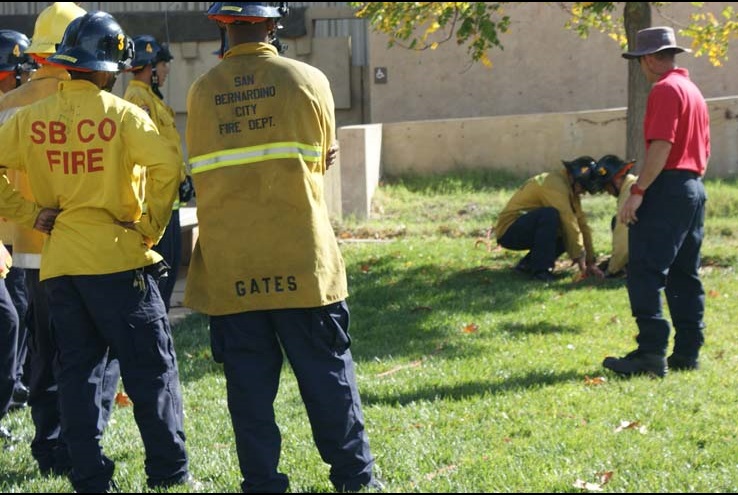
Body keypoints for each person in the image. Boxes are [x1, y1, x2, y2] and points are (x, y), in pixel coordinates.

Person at [185, 2, 380, 492]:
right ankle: (355, 480)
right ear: (275, 23)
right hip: (303, 264)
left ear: (223, 25)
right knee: (328, 382)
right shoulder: (308, 80)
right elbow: (319, 159)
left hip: (233, 269)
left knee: (248, 394)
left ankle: (262, 483)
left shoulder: (202, 91)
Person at [0, 11, 193, 492]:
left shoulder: (29, 119)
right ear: (108, 68)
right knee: (150, 370)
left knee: (77, 373)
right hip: (119, 259)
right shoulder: (123, 114)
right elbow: (167, 166)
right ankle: (168, 474)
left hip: (60, 263)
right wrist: (150, 226)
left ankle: (87, 475)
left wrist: (26, 212)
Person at [0, 2, 122, 476]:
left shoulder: (9, 106)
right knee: (95, 352)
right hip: (90, 253)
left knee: (46, 355)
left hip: (30, 254)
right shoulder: (92, 101)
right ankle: (84, 439)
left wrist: (27, 215)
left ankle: (49, 447)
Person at [603, 26, 709, 378]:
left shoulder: (664, 89)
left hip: (667, 187)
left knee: (646, 271)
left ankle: (650, 354)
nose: (641, 68)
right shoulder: (692, 90)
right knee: (684, 274)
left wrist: (638, 192)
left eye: (639, 61)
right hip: (693, 187)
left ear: (649, 58)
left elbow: (661, 146)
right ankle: (687, 352)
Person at [124, 34, 193, 313]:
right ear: (151, 67)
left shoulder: (151, 98)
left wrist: (183, 178)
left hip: (169, 198)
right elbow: (152, 151)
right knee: (161, 270)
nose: (166, 72)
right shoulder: (138, 99)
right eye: (163, 66)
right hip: (155, 201)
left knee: (172, 265)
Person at [495, 157, 605, 282]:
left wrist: (590, 262)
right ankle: (541, 271)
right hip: (509, 231)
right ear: (574, 178)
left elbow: (581, 224)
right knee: (550, 215)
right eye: (583, 187)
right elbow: (568, 221)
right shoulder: (554, 184)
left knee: (565, 229)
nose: (583, 192)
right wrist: (580, 260)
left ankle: (527, 265)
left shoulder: (569, 188)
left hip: (527, 227)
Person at [0, 28, 34, 412]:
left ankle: (15, 380)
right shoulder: (12, 107)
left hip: (12, 224)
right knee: (14, 312)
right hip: (9, 228)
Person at [588, 154, 638, 278]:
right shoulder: (633, 184)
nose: (607, 192)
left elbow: (623, 238)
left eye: (606, 187)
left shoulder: (629, 193)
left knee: (618, 221)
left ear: (615, 179)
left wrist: (611, 270)